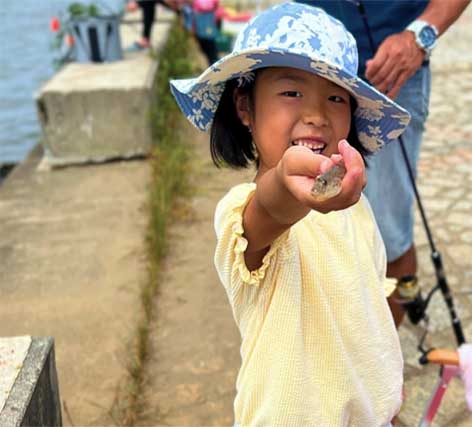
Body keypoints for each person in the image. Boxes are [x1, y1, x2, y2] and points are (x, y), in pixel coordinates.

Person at [169, 3, 410, 425]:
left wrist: (386, 387)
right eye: (291, 92)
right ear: (245, 107)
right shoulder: (242, 213)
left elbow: (369, 306)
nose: (316, 114)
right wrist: (283, 185)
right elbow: (269, 212)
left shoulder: (357, 209)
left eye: (336, 97)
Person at [298, 0, 472, 325]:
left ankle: (382, 357)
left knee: (388, 231)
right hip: (303, 71)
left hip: (390, 75)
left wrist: (419, 36)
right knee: (304, 223)